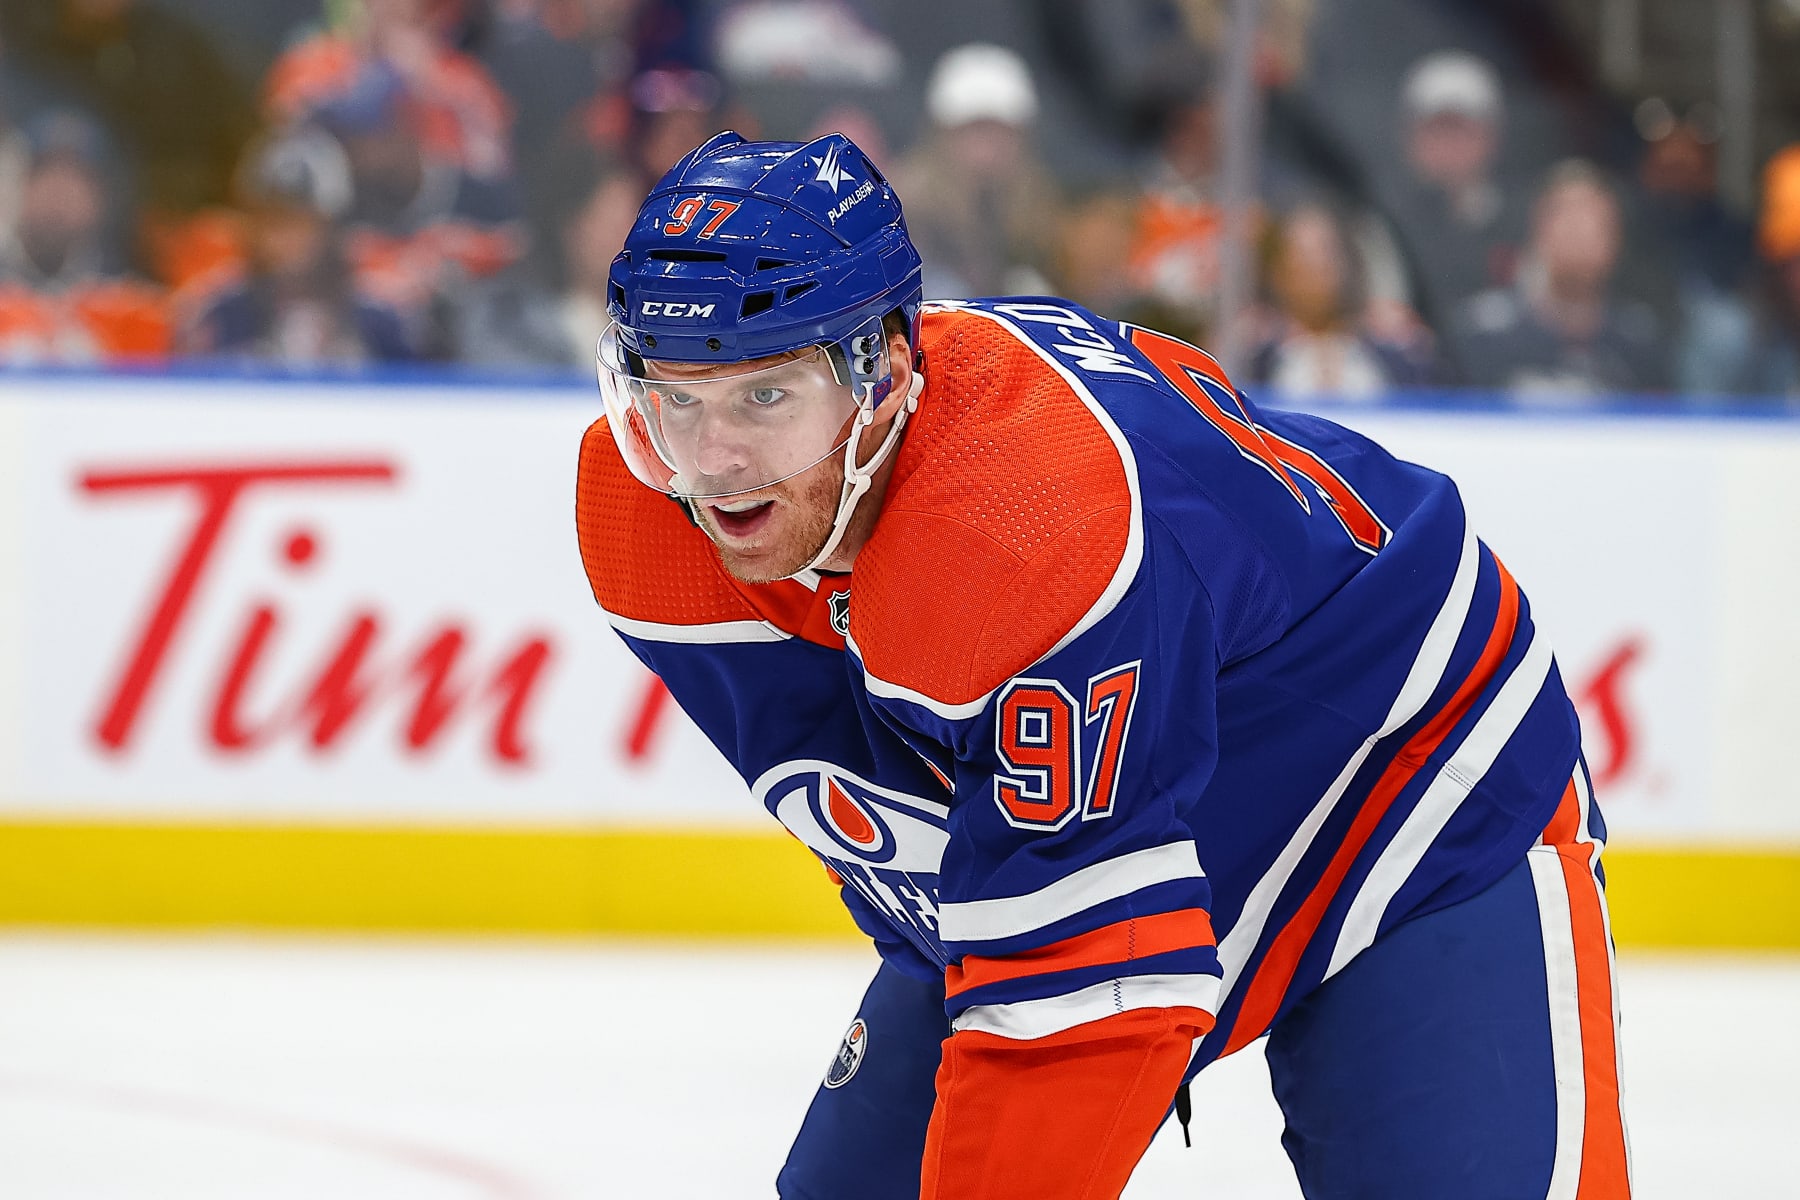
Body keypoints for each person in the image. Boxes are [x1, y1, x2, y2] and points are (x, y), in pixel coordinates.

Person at [574, 132, 1630, 1199]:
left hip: (1405, 787)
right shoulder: (641, 517)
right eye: (679, 396)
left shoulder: (1023, 526)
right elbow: (920, 853)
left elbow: (1076, 1015)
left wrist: (1076, 967)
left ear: (886, 373)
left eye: (765, 397)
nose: (712, 463)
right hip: (1140, 779)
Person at [1452, 160, 1667, 398]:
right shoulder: (1484, 333)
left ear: (1615, 240)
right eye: (1568, 220)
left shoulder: (1638, 339)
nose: (1579, 236)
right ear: (1539, 230)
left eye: (1593, 223)